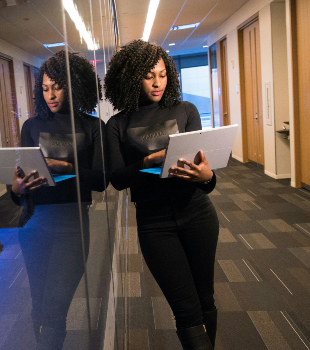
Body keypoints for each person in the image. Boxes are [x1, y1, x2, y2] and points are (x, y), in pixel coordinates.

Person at [103, 40, 219, 350]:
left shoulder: (186, 110)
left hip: (198, 213)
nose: (157, 83)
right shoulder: (117, 124)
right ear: (130, 78)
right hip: (155, 224)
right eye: (149, 75)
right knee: (186, 308)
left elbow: (205, 178)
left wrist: (208, 177)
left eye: (163, 74)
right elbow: (116, 179)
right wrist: (147, 161)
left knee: (205, 296)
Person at [10, 50, 106, 349]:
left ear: (73, 85)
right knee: (39, 305)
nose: (51, 95)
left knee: (54, 309)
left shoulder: (92, 127)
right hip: (35, 223)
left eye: (58, 86)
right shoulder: (31, 126)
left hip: (72, 225)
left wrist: (66, 168)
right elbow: (20, 194)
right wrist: (17, 188)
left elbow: (102, 181)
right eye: (45, 88)